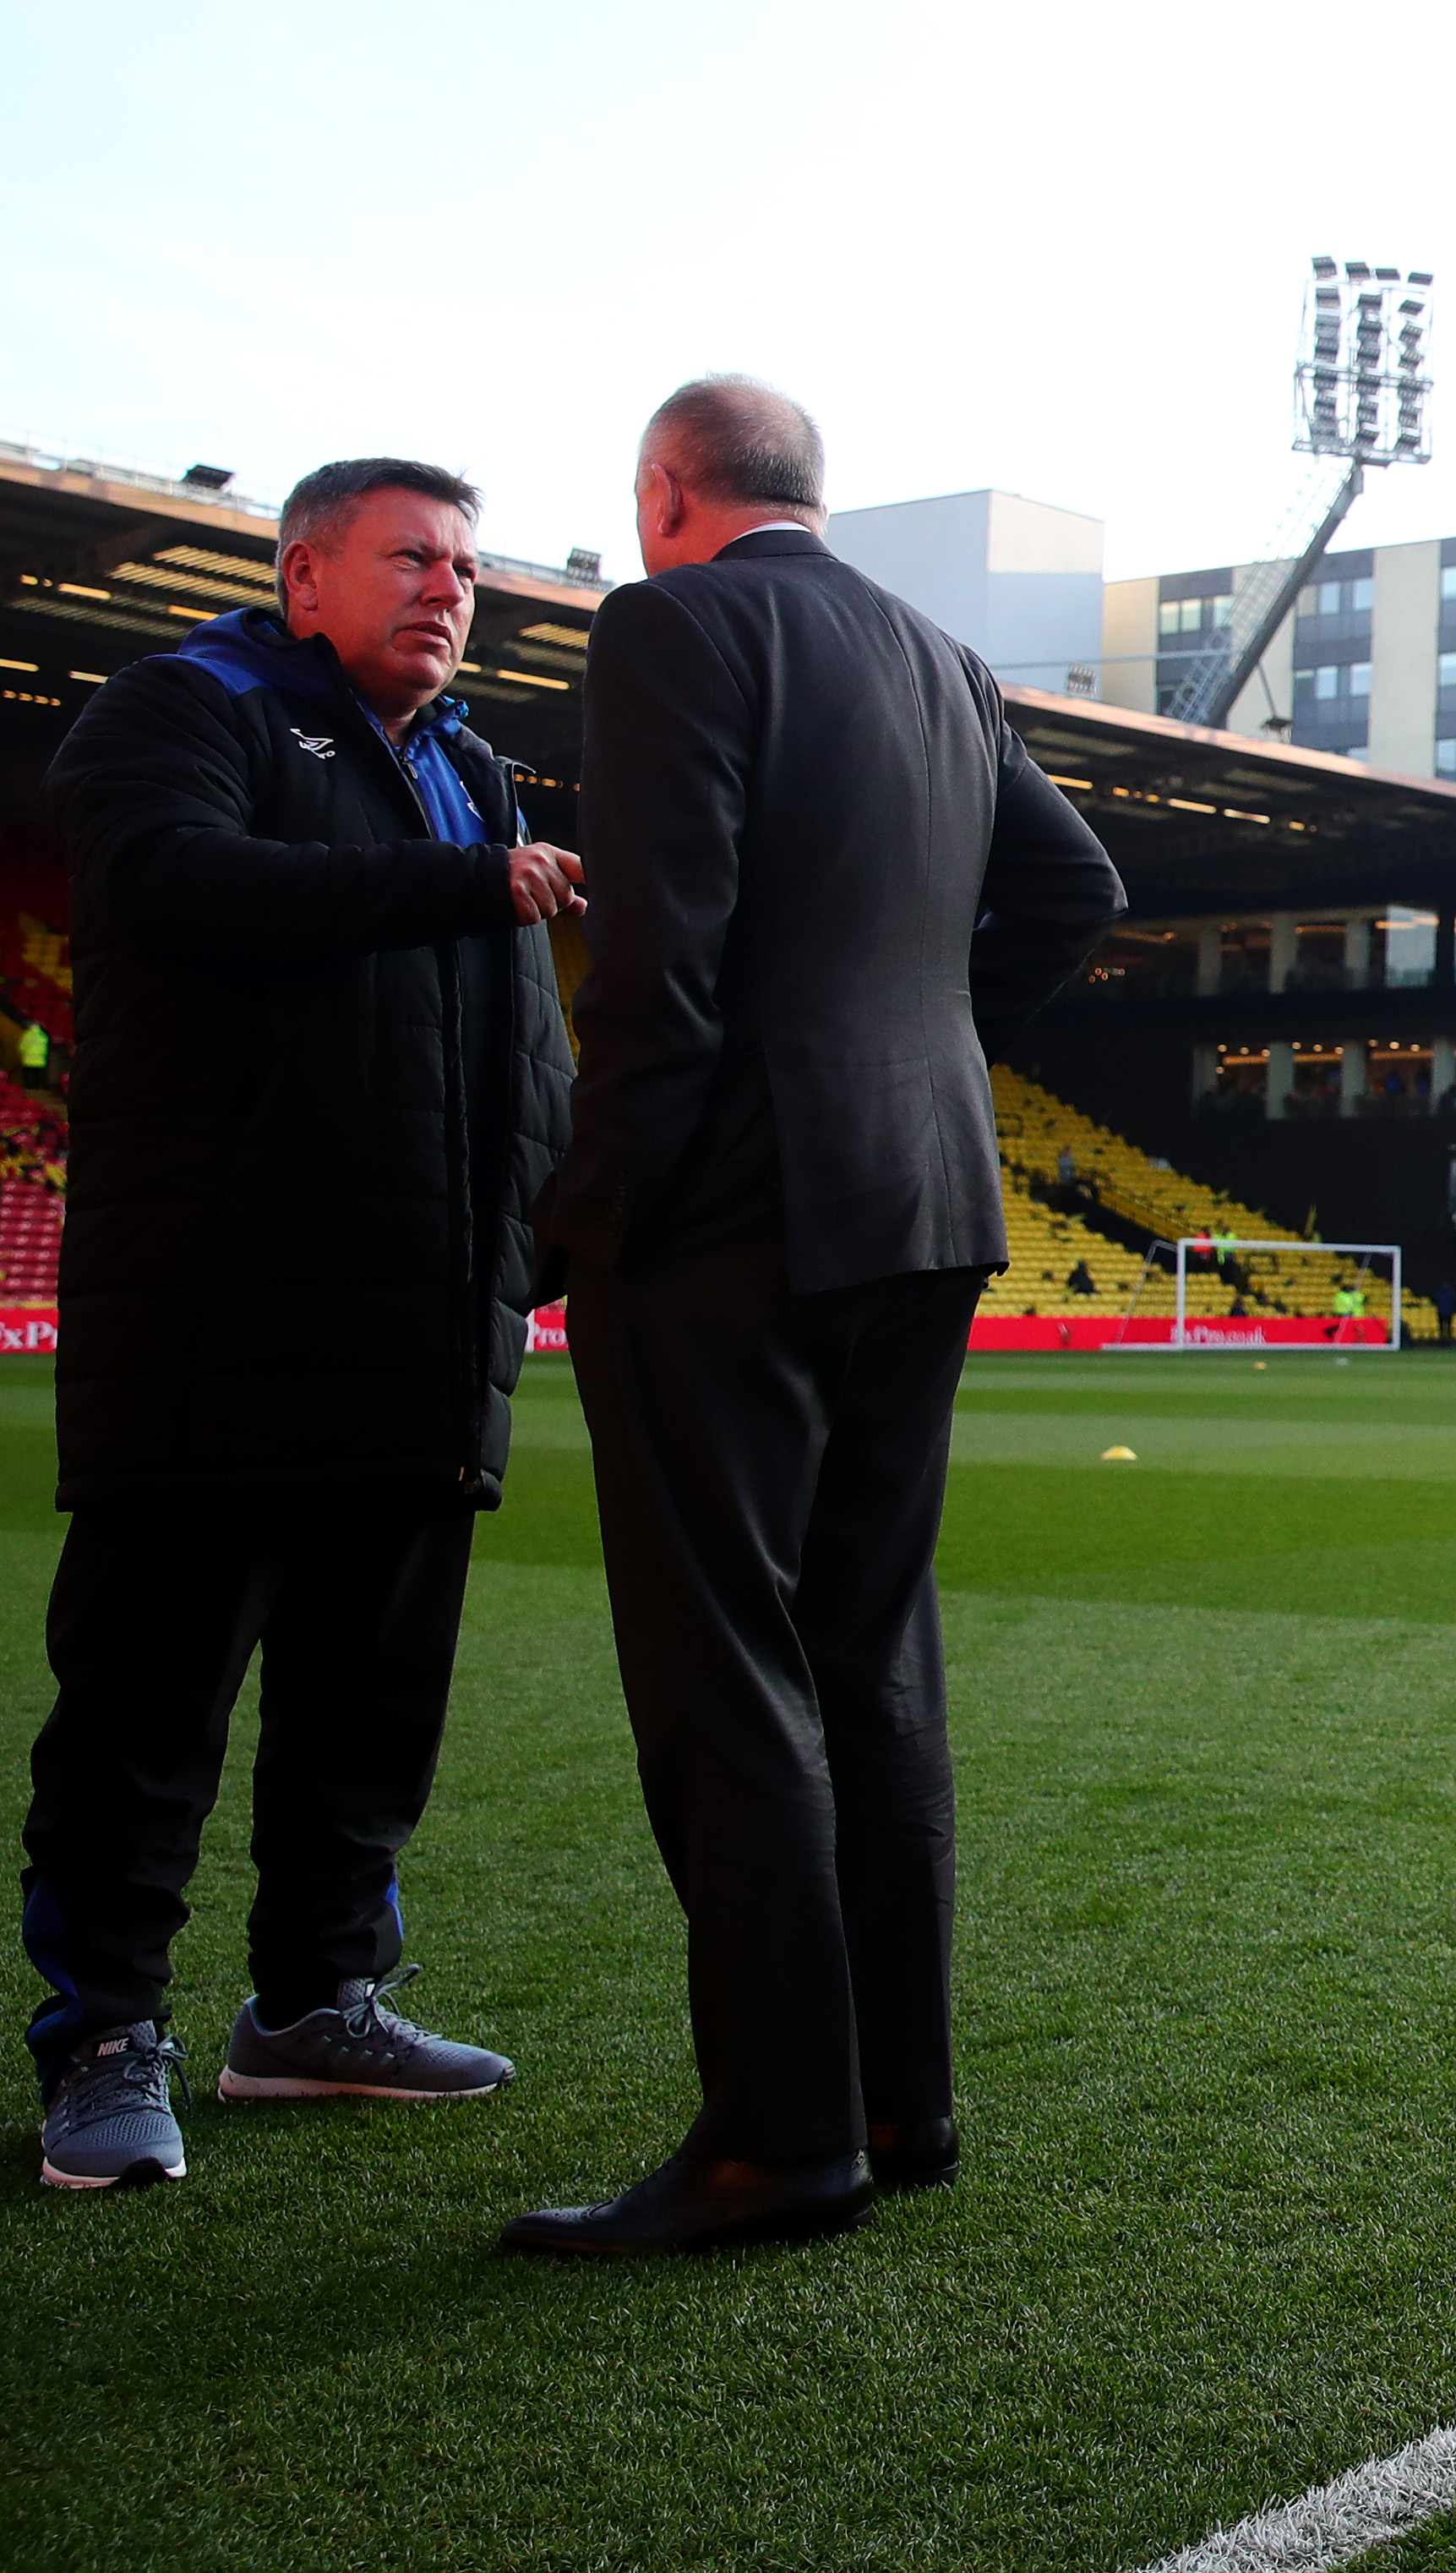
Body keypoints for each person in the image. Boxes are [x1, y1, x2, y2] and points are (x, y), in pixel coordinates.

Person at [506, 379, 1122, 2256]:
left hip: (730, 1218)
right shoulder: (935, 653)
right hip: (922, 1196)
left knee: (726, 1660)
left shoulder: (672, 619)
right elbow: (1072, 885)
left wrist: (582, 1222)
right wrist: (914, 1060)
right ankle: (893, 2094)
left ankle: (782, 2136)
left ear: (665, 492)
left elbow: (660, 959)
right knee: (869, 1647)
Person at [24, 458, 580, 2189]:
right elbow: (187, 893)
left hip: (423, 1331)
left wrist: (524, 1255)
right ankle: (105, 2036)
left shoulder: (470, 767)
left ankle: (316, 2001)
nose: (449, 587)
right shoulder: (178, 711)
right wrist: (460, 886)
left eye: (470, 568)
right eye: (412, 556)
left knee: (370, 1701)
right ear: (302, 574)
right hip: (213, 1317)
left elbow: (524, 1058)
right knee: (145, 1705)